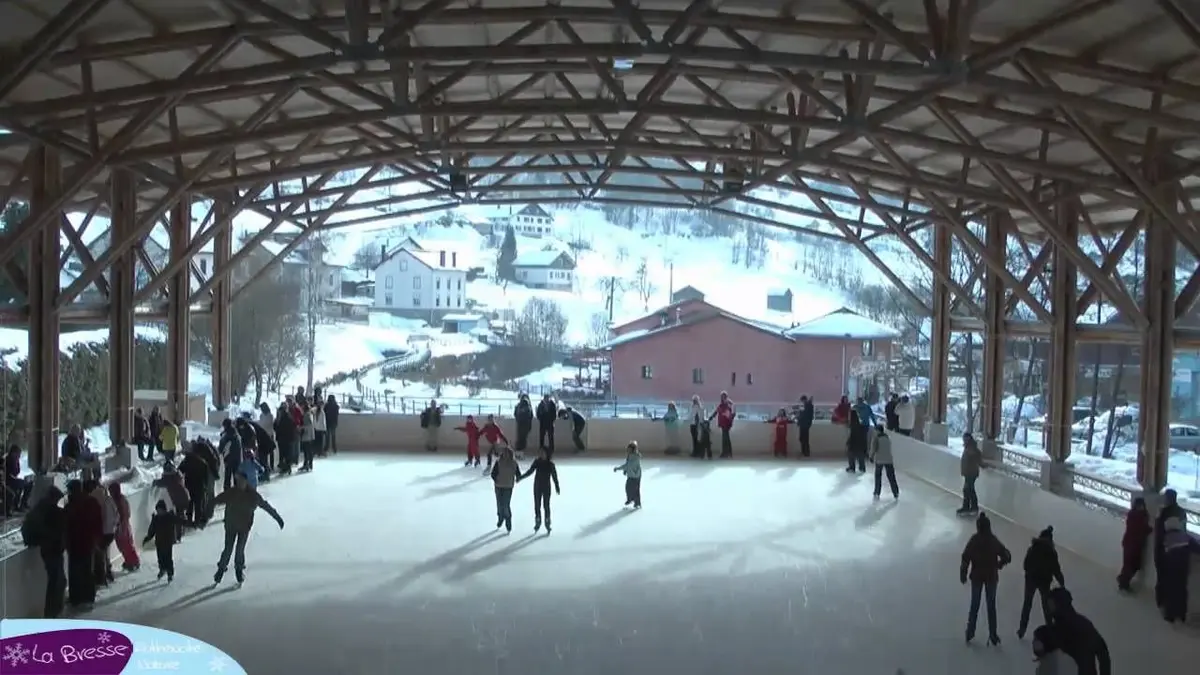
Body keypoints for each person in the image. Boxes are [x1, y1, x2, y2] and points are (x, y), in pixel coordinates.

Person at [207, 473, 285, 585]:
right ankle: (220, 570)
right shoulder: (231, 492)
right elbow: (217, 500)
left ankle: (239, 571)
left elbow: (265, 505)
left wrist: (277, 518)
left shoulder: (252, 495)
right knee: (228, 549)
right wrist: (207, 509)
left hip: (244, 527)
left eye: (242, 481)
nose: (240, 483)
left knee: (240, 550)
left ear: (246, 481)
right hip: (231, 526)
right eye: (238, 481)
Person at [960, 512, 1011, 645]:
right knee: (991, 606)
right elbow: (1006, 555)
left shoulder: (974, 540)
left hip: (977, 576)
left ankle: (970, 632)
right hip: (991, 577)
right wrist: (999, 565)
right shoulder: (993, 540)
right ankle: (993, 634)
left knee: (975, 605)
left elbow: (965, 557)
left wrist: (963, 574)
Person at [22, 485, 67, 617]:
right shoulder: (49, 510)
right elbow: (52, 530)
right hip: (52, 550)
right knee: (57, 581)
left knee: (57, 581)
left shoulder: (42, 508)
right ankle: (53, 612)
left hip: (51, 549)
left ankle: (54, 611)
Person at [1045, 587, 1111, 675]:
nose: (1049, 608)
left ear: (1060, 604)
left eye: (1051, 604)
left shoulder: (1078, 625)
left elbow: (1102, 651)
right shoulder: (1058, 626)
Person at [1017, 526, 1065, 639]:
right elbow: (1056, 570)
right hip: (1044, 582)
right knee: (1046, 607)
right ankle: (1051, 631)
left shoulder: (1033, 548)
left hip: (1031, 580)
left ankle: (1022, 630)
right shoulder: (1051, 552)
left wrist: (1029, 573)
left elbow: (1025, 564)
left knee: (1027, 604)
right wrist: (1062, 582)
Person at [1154, 488, 1193, 623]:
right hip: (1184, 553)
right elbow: (1185, 531)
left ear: (1167, 499)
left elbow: (1159, 535)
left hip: (1170, 553)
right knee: (1181, 585)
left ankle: (1169, 613)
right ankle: (1181, 613)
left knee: (1169, 583)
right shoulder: (1182, 512)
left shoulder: (1163, 513)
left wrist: (1158, 555)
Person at [64, 479, 102, 609]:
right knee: (86, 570)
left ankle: (76, 598)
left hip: (76, 543)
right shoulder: (91, 502)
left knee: (76, 571)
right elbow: (98, 521)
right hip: (87, 542)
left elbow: (67, 525)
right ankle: (87, 597)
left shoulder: (71, 506)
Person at [143, 499, 191, 583]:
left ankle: (170, 573)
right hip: (159, 542)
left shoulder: (169, 517)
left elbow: (179, 521)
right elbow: (152, 530)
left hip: (168, 542)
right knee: (160, 558)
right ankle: (162, 569)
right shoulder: (156, 519)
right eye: (158, 510)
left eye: (160, 510)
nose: (159, 512)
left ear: (164, 510)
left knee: (168, 558)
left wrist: (189, 523)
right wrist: (148, 537)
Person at [519, 447, 560, 534]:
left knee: (546, 505)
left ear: (546, 454)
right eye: (540, 452)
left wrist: (557, 486)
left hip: (546, 487)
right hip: (537, 487)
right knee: (537, 505)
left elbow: (554, 476)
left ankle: (547, 522)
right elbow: (530, 471)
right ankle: (538, 520)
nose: (541, 454)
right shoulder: (537, 462)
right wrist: (521, 477)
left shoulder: (550, 464)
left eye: (542, 453)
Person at [87, 479, 119, 586]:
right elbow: (116, 515)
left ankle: (103, 576)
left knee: (101, 555)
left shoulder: (95, 500)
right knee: (105, 553)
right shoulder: (109, 500)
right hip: (110, 531)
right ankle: (107, 574)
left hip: (102, 531)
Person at [1116, 496, 1151, 591]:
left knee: (1128, 564)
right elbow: (1142, 529)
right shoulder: (1141, 516)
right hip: (1135, 545)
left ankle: (1122, 580)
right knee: (1132, 565)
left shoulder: (1132, 514)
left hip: (1129, 543)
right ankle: (1123, 582)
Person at [153, 461, 190, 543]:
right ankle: (180, 533)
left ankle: (177, 536)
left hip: (179, 500)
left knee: (177, 518)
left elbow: (162, 482)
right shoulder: (176, 475)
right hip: (183, 498)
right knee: (179, 516)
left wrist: (155, 482)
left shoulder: (171, 477)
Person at [108, 482, 140, 572]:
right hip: (120, 525)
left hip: (122, 525)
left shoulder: (120, 500)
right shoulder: (117, 499)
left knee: (126, 544)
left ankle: (133, 561)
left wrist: (121, 522)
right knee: (124, 545)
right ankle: (130, 560)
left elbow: (125, 513)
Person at [489, 447, 522, 533]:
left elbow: (518, 474)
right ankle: (500, 517)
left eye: (507, 453)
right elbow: (493, 474)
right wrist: (496, 480)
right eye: (504, 453)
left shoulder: (514, 463)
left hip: (508, 487)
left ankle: (508, 520)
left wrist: (518, 478)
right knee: (499, 504)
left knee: (506, 504)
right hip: (499, 486)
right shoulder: (498, 462)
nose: (505, 455)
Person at [958, 433, 985, 515]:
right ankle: (970, 507)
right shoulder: (968, 448)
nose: (964, 441)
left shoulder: (972, 449)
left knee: (968, 490)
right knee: (968, 490)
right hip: (968, 473)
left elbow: (978, 459)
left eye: (965, 439)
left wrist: (983, 465)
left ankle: (970, 507)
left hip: (971, 473)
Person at [869, 426, 899, 499]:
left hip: (879, 460)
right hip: (889, 459)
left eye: (875, 430)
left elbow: (873, 449)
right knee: (891, 476)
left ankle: (877, 492)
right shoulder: (887, 437)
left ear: (878, 431)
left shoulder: (876, 438)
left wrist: (871, 457)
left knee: (878, 476)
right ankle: (895, 492)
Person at [613, 441, 643, 508]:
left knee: (636, 490)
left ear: (633, 450)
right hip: (631, 475)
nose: (627, 450)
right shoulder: (630, 456)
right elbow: (627, 465)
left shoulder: (636, 457)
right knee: (628, 488)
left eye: (629, 449)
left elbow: (628, 465)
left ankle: (637, 503)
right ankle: (630, 499)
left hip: (636, 476)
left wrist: (618, 468)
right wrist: (625, 471)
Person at [4, 444, 32, 514]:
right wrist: (16, 462)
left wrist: (17, 462)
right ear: (13, 453)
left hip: (12, 479)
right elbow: (12, 473)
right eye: (18, 454)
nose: (19, 456)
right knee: (26, 484)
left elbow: (17, 472)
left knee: (28, 483)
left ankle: (22, 504)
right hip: (8, 481)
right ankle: (20, 505)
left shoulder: (14, 460)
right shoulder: (8, 459)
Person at [218, 418, 243, 490]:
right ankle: (237, 492)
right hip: (237, 459)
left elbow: (221, 448)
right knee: (236, 478)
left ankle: (227, 494)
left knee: (227, 478)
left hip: (228, 459)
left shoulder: (225, 436)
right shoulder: (237, 434)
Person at [274, 402, 298, 475]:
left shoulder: (286, 417)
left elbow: (287, 427)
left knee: (286, 454)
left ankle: (287, 467)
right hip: (283, 438)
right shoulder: (281, 417)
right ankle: (284, 467)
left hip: (286, 438)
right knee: (283, 454)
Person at [710, 391, 735, 458]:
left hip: (726, 423)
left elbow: (732, 413)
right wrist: (710, 418)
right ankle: (728, 453)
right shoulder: (722, 404)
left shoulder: (728, 404)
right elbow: (716, 411)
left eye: (723, 396)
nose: (722, 398)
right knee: (726, 438)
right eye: (722, 397)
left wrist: (730, 417)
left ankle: (725, 453)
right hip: (724, 423)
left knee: (725, 438)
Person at [845, 409, 867, 473]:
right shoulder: (860, 423)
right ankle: (862, 468)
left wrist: (848, 442)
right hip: (860, 441)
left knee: (851, 454)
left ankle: (852, 467)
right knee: (860, 454)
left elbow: (852, 435)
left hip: (853, 441)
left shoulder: (852, 425)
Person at [299, 405, 317, 471]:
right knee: (309, 451)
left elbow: (308, 425)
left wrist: (301, 428)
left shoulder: (307, 415)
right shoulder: (310, 414)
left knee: (307, 451)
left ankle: (307, 464)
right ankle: (308, 464)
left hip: (307, 435)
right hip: (310, 435)